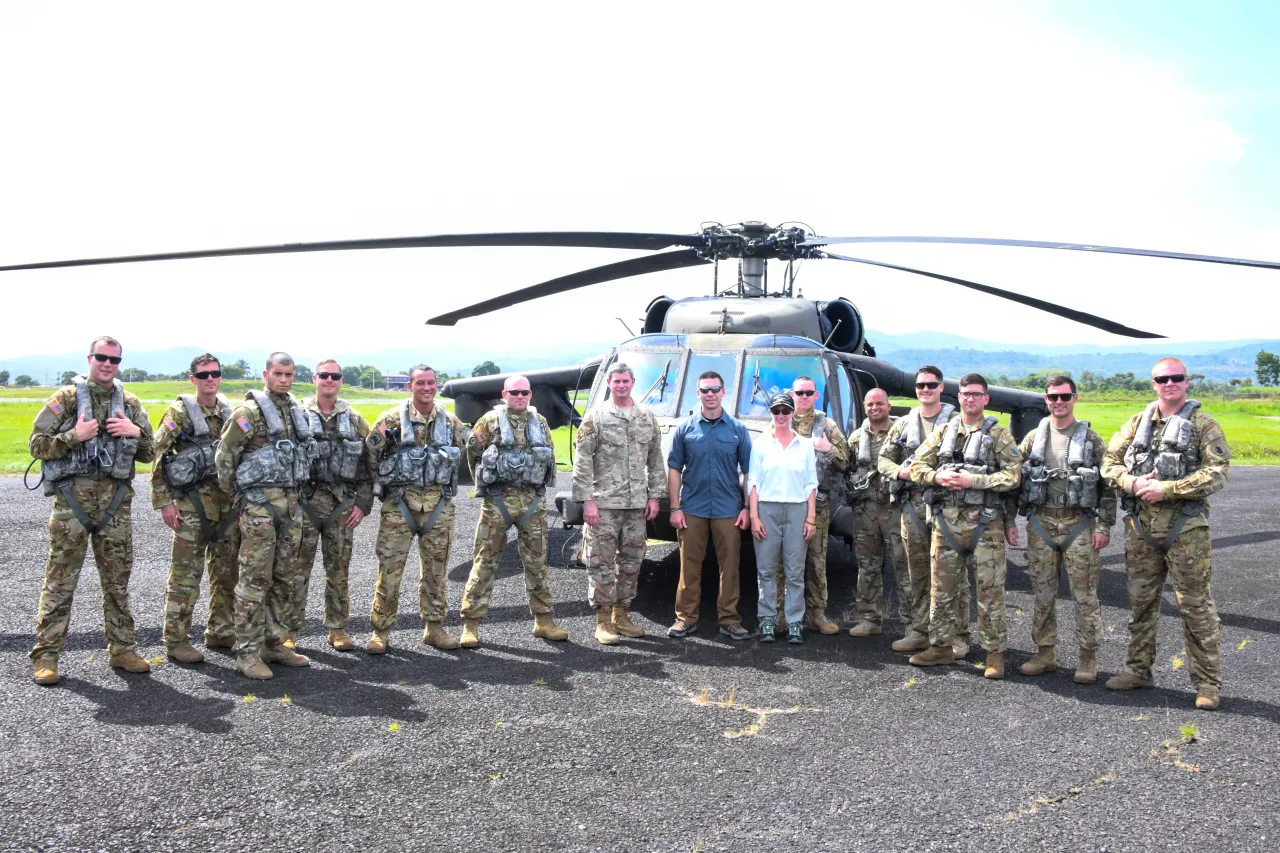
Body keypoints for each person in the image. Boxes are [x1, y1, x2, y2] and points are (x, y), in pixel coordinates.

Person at [1101, 358, 1230, 710]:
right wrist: (1132, 481)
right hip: (1141, 528)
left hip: (1185, 528)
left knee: (1195, 606)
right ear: (1154, 384)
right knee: (1141, 604)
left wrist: (1168, 489)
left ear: (1187, 382)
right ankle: (1138, 670)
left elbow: (1217, 473)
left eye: (1176, 378)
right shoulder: (1136, 424)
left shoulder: (1204, 425)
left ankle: (1207, 684)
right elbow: (1108, 463)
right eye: (1162, 379)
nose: (1169, 383)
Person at [28, 335, 156, 685]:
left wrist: (134, 432)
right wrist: (75, 436)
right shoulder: (66, 400)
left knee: (118, 583)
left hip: (115, 506)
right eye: (101, 357)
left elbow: (150, 452)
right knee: (59, 582)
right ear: (90, 359)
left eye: (114, 359)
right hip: (72, 505)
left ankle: (123, 649)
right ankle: (47, 655)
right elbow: (36, 445)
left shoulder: (129, 403)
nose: (107, 364)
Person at [907, 373, 1022, 678]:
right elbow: (916, 466)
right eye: (965, 394)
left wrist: (976, 481)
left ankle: (994, 654)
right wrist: (937, 477)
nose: (970, 398)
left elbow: (1013, 476)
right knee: (941, 591)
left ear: (986, 399)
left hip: (986, 524)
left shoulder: (998, 435)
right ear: (958, 398)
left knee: (990, 591)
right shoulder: (944, 431)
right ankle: (941, 647)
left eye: (976, 394)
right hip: (946, 524)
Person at [1007, 375, 1115, 684]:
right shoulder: (1032, 439)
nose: (1059, 402)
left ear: (1075, 399)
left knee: (1085, 595)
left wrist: (1104, 526)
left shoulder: (1091, 440)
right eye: (1053, 397)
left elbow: (1107, 487)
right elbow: (1015, 479)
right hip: (1040, 522)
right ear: (1046, 400)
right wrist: (1009, 519)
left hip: (1077, 523)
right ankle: (1044, 653)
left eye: (1065, 397)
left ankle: (1087, 657)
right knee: (1042, 594)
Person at [215, 352, 315, 679]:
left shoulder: (297, 411)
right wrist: (241, 498)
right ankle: (246, 651)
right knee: (254, 579)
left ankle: (273, 641)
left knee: (286, 577)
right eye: (278, 373)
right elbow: (225, 456)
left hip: (291, 506)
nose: (284, 379)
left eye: (289, 374)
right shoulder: (249, 413)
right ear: (266, 374)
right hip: (259, 507)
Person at [366, 364, 468, 653]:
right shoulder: (390, 420)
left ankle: (435, 628)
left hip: (438, 505)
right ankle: (380, 631)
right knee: (389, 570)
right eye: (420, 383)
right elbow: (371, 454)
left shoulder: (450, 422)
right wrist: (382, 489)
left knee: (437, 571)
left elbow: (468, 451)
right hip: (400, 505)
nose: (427, 388)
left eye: (431, 383)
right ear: (409, 386)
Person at [459, 375, 567, 645]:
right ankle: (471, 624)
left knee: (538, 563)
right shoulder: (489, 422)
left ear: (530, 395)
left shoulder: (540, 423)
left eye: (525, 392)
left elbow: (549, 456)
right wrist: (485, 485)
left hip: (532, 502)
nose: (520, 397)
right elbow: (473, 454)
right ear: (504, 394)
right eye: (514, 392)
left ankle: (543, 620)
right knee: (484, 562)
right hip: (498, 501)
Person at [151, 353, 239, 664]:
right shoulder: (181, 411)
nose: (210, 379)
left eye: (214, 373)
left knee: (227, 573)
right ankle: (175, 639)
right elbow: (157, 452)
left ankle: (220, 630)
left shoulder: (229, 410)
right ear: (193, 379)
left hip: (226, 506)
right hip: (191, 505)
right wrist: (164, 502)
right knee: (186, 575)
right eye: (203, 375)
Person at [877, 366, 971, 656]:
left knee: (954, 574)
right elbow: (883, 461)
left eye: (931, 385)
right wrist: (903, 474)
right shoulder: (904, 424)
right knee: (914, 571)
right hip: (913, 506)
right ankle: (919, 631)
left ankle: (958, 636)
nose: (925, 390)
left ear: (942, 388)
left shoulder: (959, 423)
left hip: (949, 508)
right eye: (920, 386)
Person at [571, 363, 665, 645]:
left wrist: (654, 495)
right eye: (617, 381)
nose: (622, 385)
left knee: (632, 562)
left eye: (626, 381)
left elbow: (655, 459)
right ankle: (602, 620)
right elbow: (582, 462)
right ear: (609, 383)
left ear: (633, 382)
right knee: (600, 562)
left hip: (636, 505)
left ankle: (621, 615)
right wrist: (587, 501)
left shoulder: (646, 417)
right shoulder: (596, 418)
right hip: (604, 505)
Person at [291, 360, 373, 652]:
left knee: (338, 570)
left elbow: (368, 463)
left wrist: (362, 504)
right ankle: (290, 630)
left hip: (341, 507)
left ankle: (338, 629)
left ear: (340, 380)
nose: (329, 380)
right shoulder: (297, 415)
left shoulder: (354, 418)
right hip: (304, 506)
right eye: (324, 375)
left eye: (335, 376)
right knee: (296, 570)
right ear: (314, 378)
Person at [666, 370, 753, 641]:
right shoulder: (685, 429)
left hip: (729, 508)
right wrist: (675, 507)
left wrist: (748, 508)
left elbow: (749, 472)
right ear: (698, 394)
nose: (710, 394)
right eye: (705, 390)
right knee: (689, 564)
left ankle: (729, 619)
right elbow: (674, 469)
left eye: (715, 389)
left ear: (723, 392)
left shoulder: (738, 429)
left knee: (730, 566)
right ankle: (685, 618)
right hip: (692, 507)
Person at [749, 393, 818, 644]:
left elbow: (811, 484)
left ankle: (794, 622)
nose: (780, 416)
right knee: (766, 569)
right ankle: (767, 618)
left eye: (785, 411)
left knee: (795, 571)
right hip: (768, 509)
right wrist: (754, 516)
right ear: (771, 413)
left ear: (792, 414)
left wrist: (811, 519)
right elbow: (753, 482)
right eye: (776, 411)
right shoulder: (761, 445)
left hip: (797, 510)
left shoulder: (805, 445)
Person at [785, 375, 850, 635]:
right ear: (792, 395)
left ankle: (816, 613)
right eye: (799, 393)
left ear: (815, 395)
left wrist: (827, 448)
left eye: (809, 393)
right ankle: (783, 614)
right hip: (785, 503)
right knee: (784, 561)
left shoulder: (827, 425)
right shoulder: (780, 421)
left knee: (816, 559)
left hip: (818, 505)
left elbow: (845, 462)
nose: (804, 397)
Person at [846, 388, 910, 638]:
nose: (875, 408)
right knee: (867, 567)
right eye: (870, 404)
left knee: (904, 569)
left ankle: (913, 625)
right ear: (864, 407)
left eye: (879, 403)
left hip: (895, 510)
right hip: (866, 511)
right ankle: (869, 619)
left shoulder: (902, 434)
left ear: (889, 406)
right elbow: (847, 468)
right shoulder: (855, 439)